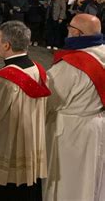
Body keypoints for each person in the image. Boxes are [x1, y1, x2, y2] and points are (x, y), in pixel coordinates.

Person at [0, 20, 50, 200]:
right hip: (30, 144)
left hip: (6, 147)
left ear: (7, 45)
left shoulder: (6, 80)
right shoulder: (38, 70)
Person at [43, 13, 105, 201]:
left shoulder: (72, 65)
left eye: (70, 27)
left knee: (69, 181)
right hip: (97, 126)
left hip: (71, 131)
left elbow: (49, 99)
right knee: (92, 175)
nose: (67, 30)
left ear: (77, 33)